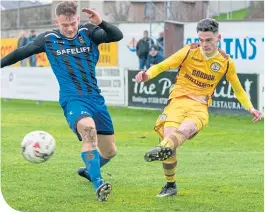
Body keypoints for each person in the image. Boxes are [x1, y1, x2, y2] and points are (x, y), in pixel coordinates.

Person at [1, 1, 123, 201]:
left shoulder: (89, 32)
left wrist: (101, 22)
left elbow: (116, 36)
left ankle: (89, 170)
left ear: (77, 19)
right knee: (88, 131)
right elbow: (20, 53)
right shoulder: (48, 39)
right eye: (64, 25)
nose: (69, 28)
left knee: (110, 151)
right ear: (56, 21)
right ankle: (99, 183)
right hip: (72, 99)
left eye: (72, 23)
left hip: (96, 99)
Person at [135, 18, 262, 197]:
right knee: (170, 139)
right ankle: (170, 185)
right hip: (177, 101)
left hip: (199, 106)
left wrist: (250, 108)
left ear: (219, 37)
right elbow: (164, 65)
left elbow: (238, 88)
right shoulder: (189, 51)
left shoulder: (225, 62)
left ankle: (162, 149)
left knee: (184, 131)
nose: (204, 44)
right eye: (201, 40)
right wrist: (147, 74)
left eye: (208, 40)